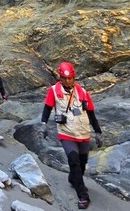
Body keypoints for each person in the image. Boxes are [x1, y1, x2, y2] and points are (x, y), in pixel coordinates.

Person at [40, 61, 103, 210]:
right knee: (73, 161)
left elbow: (91, 114)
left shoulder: (83, 92)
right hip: (66, 133)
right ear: (60, 77)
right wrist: (43, 125)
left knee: (81, 163)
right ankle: (83, 196)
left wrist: (98, 132)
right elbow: (47, 109)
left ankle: (73, 178)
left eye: (70, 78)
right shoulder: (54, 91)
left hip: (83, 133)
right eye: (64, 78)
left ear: (74, 77)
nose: (68, 81)